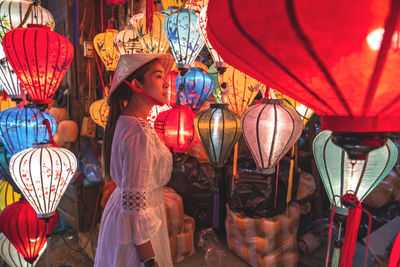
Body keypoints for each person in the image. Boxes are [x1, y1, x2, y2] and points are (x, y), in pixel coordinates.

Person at [94, 53, 174, 267]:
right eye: (158, 76)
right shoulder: (138, 131)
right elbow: (135, 210)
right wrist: (148, 261)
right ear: (137, 85)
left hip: (126, 223)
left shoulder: (128, 121)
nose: (166, 83)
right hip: (137, 237)